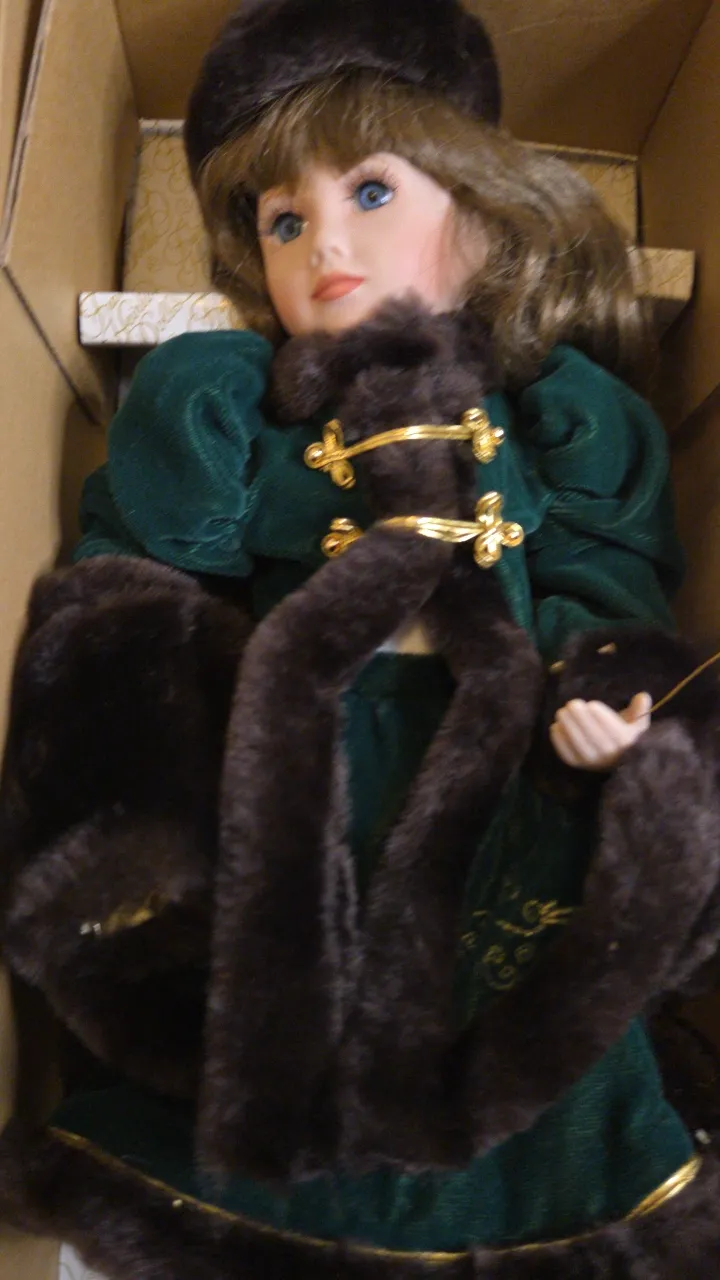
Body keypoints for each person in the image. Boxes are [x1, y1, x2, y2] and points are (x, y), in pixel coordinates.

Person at [1, 0, 720, 1275]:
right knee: (292, 990)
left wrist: (617, 704)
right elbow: (145, 585)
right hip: (306, 757)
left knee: (509, 985)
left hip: (506, 755)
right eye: (284, 221)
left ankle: (539, 1198)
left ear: (483, 213)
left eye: (373, 191)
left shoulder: (564, 417)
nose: (325, 240)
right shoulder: (229, 404)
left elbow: (610, 583)